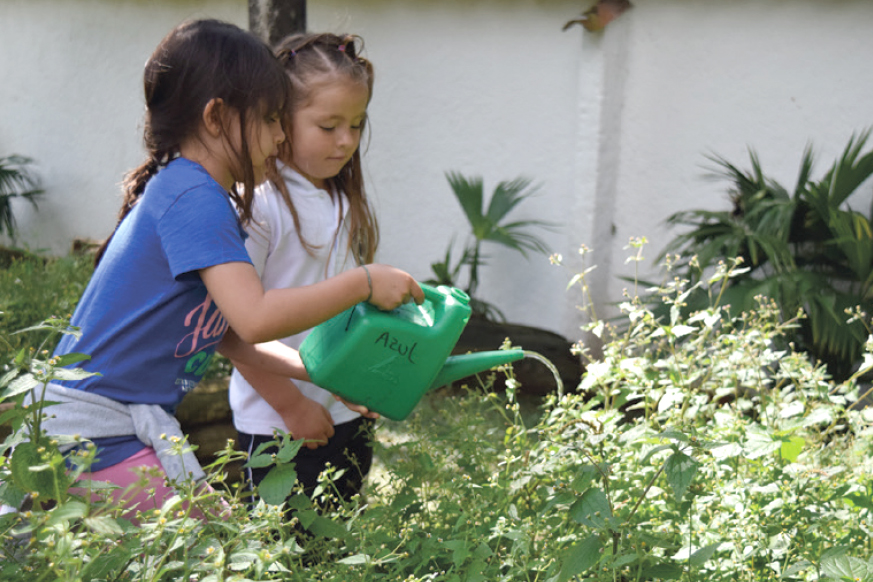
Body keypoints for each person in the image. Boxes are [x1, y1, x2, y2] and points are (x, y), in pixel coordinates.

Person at [29, 19, 422, 520]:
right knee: (214, 554)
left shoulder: (196, 193)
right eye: (271, 119)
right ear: (217, 117)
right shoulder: (195, 198)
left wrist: (318, 372)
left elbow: (226, 333)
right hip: (95, 434)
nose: (280, 136)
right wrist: (364, 283)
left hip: (109, 430)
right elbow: (255, 317)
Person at [229, 32, 384, 508]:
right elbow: (233, 328)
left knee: (335, 547)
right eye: (328, 125)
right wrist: (291, 404)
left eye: (356, 125)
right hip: (278, 423)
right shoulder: (257, 204)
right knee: (282, 554)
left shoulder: (340, 196)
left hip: (346, 411)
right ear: (279, 120)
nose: (346, 141)